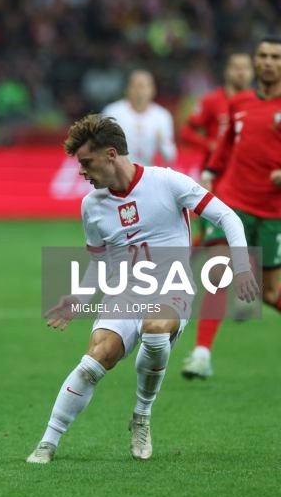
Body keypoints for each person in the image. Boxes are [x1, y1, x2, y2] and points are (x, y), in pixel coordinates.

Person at [26, 114, 258, 464]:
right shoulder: (91, 207)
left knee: (154, 326)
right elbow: (100, 262)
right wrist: (79, 297)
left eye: (86, 163)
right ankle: (47, 442)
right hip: (124, 294)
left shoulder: (168, 182)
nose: (82, 173)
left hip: (171, 288)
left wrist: (240, 266)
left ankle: (142, 416)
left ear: (111, 154)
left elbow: (228, 217)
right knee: (94, 362)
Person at [182, 37, 281, 379]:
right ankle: (201, 354)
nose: (267, 62)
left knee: (270, 293)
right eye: (263, 56)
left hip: (272, 212)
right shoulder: (239, 102)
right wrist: (209, 174)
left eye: (275, 57)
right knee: (218, 273)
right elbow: (224, 148)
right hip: (233, 202)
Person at [102, 70, 177, 166]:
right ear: (127, 89)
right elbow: (101, 147)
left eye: (143, 87)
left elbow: (170, 156)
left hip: (148, 172)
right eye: (136, 86)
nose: (139, 91)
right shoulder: (112, 112)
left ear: (153, 90)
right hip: (117, 172)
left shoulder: (162, 116)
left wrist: (162, 142)